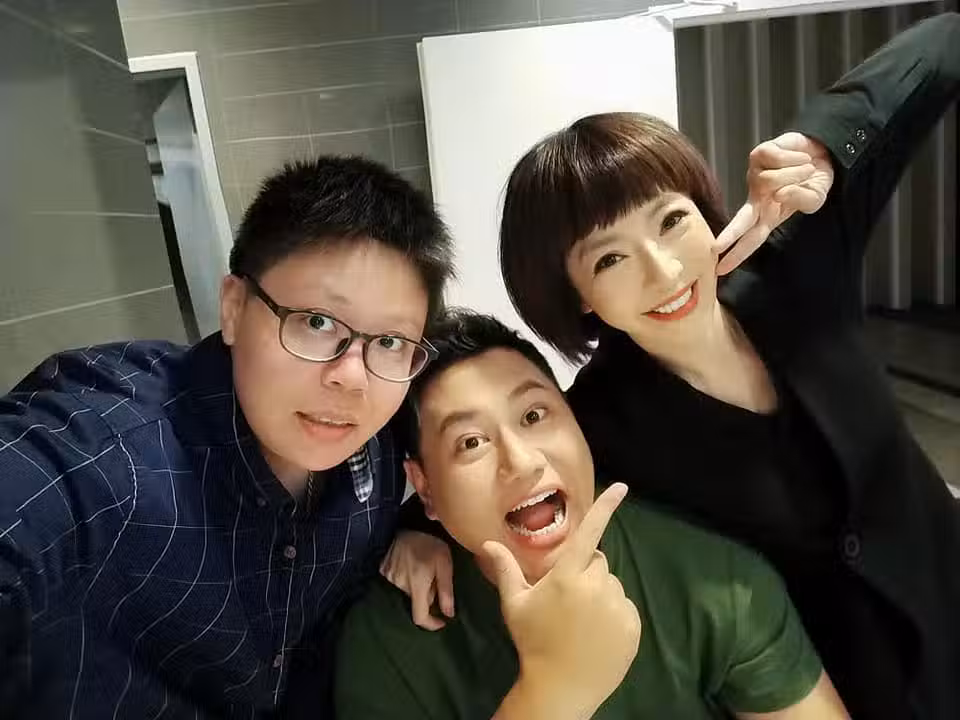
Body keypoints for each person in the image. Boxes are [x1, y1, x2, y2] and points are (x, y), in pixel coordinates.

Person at [383, 13, 960, 719]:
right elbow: (493, 470)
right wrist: (412, 533)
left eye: (671, 220)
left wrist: (821, 142)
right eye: (610, 259)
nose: (663, 271)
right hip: (838, 689)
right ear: (579, 296)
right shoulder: (604, 416)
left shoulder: (798, 264)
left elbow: (942, 44)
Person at [0, 156, 454, 717]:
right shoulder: (112, 454)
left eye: (389, 342)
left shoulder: (377, 454)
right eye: (317, 322)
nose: (353, 377)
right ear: (234, 308)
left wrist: (414, 530)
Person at [337, 310, 848, 719]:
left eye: (534, 415)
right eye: (471, 442)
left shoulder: (720, 585)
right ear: (424, 487)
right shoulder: (388, 643)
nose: (522, 460)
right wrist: (550, 693)